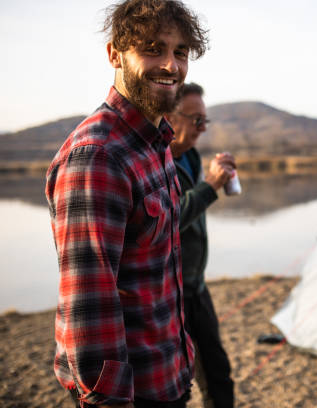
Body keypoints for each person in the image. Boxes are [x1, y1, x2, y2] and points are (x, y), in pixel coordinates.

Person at [45, 1, 208, 406]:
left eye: (180, 52)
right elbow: (90, 311)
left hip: (171, 375)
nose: (171, 65)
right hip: (134, 395)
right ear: (115, 53)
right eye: (153, 48)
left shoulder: (157, 142)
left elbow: (156, 280)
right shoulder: (98, 156)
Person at [166, 83, 236, 408]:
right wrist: (210, 186)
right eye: (196, 121)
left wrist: (214, 178)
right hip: (169, 296)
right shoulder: (158, 163)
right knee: (177, 384)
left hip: (197, 287)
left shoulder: (192, 156)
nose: (202, 130)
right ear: (169, 115)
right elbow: (171, 221)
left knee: (218, 374)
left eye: (204, 121)